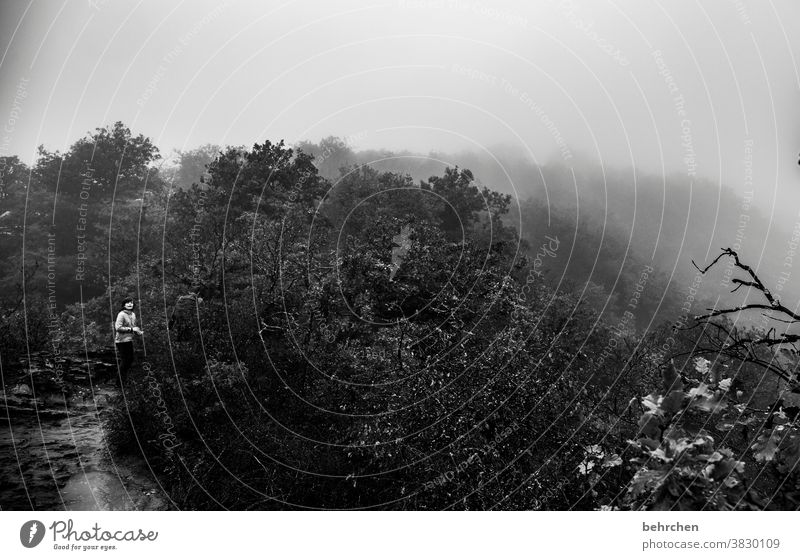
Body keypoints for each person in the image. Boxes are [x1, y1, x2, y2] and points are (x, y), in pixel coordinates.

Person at [114, 297, 143, 384]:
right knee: (125, 361)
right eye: (127, 303)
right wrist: (132, 329)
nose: (130, 304)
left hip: (129, 340)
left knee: (130, 360)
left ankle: (123, 380)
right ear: (124, 305)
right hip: (121, 341)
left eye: (131, 302)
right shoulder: (121, 314)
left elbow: (133, 326)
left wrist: (138, 331)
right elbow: (118, 328)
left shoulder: (133, 314)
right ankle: (119, 383)